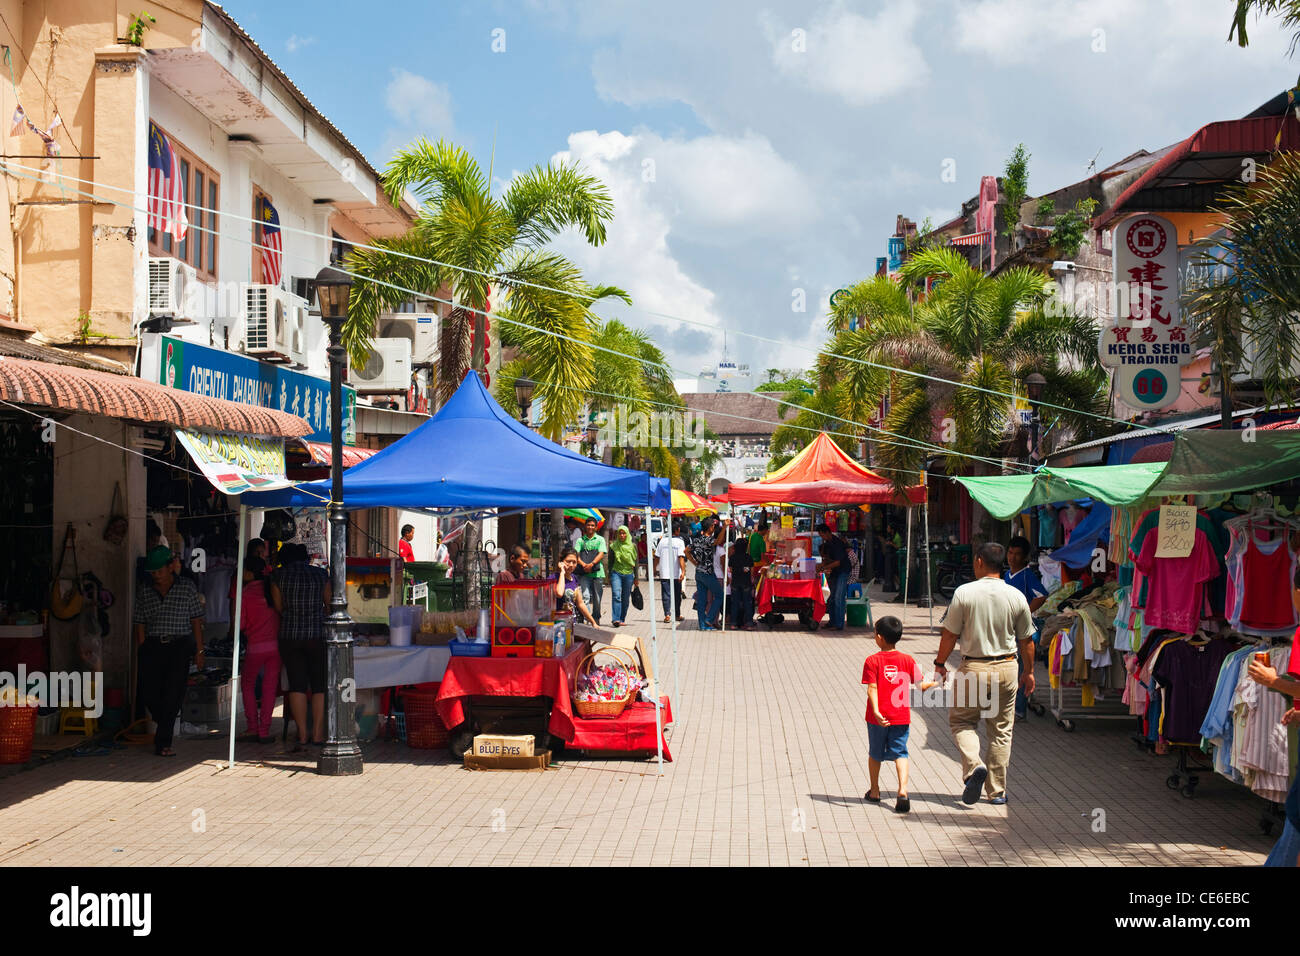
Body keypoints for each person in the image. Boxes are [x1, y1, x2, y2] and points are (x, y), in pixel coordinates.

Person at [935, 542, 1035, 806]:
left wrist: (940, 663)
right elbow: (1027, 640)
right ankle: (997, 792)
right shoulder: (1016, 596)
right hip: (1007, 668)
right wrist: (1030, 672)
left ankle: (974, 767)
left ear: (979, 561)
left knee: (962, 723)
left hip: (974, 668)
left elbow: (950, 633)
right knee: (1001, 730)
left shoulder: (964, 593)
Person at [133, 545, 205, 757]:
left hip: (179, 647)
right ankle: (164, 721)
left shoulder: (187, 588)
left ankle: (163, 743)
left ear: (170, 567)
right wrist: (143, 647)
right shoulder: (145, 591)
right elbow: (139, 622)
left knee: (173, 694)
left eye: (159, 571)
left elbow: (196, 620)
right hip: (153, 646)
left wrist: (200, 651)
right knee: (149, 693)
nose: (156, 576)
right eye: (153, 572)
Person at [862, 615, 937, 813]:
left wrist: (877, 711)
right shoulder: (907, 660)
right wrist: (936, 681)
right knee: (901, 752)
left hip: (877, 717)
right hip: (900, 716)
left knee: (875, 753)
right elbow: (921, 686)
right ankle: (903, 790)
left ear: (879, 637)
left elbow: (872, 688)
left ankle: (875, 791)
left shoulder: (872, 661)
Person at [269, 543, 330, 751]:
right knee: (319, 684)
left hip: (290, 635)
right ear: (306, 558)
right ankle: (318, 734)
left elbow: (278, 607)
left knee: (297, 684)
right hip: (317, 634)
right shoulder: (321, 575)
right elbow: (329, 604)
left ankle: (302, 734)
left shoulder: (278, 576)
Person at [1003, 536, 1048, 720]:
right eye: (1010, 553)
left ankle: (1019, 709)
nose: (1012, 558)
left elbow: (1041, 596)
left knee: (1021, 667)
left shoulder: (1027, 575)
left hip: (1022, 631)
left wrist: (1024, 612)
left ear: (1024, 557)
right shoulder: (1006, 575)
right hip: (1007, 629)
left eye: (1017, 554)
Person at [236, 557, 280, 744]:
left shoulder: (245, 593)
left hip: (255, 647)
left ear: (248, 572)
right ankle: (264, 730)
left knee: (247, 685)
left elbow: (241, 623)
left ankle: (252, 726)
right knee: (269, 688)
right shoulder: (273, 589)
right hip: (276, 647)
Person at [687, 516, 726, 630]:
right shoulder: (708, 540)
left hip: (698, 572)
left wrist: (695, 563)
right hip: (707, 573)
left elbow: (686, 551)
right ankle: (709, 620)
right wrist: (724, 527)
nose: (714, 528)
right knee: (719, 595)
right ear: (710, 528)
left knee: (702, 601)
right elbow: (718, 541)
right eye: (713, 526)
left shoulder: (697, 540)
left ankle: (702, 625)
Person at [818, 522, 852, 630]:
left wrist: (824, 567)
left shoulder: (836, 543)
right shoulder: (827, 543)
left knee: (839, 597)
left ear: (828, 532)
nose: (822, 538)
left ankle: (839, 624)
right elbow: (827, 559)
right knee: (831, 598)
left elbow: (838, 562)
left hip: (842, 571)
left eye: (822, 535)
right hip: (834, 572)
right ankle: (832, 622)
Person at [550, 548, 597, 626]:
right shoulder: (553, 578)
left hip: (571, 623)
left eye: (574, 562)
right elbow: (559, 593)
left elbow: (580, 604)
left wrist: (593, 622)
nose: (571, 565)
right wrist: (562, 572)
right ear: (561, 562)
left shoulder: (574, 578)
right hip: (557, 624)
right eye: (568, 561)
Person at [575, 517, 607, 625]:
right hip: (584, 573)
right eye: (588, 525)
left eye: (593, 525)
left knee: (597, 599)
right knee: (585, 597)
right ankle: (589, 619)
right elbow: (576, 555)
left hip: (597, 573)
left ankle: (596, 618)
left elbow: (601, 553)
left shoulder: (600, 539)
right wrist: (584, 565)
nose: (590, 527)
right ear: (585, 526)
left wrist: (591, 564)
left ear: (596, 527)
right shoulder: (580, 540)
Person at [655, 521, 687, 623]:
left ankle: (667, 615)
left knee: (666, 595)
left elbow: (656, 557)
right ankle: (677, 615)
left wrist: (655, 569)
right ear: (677, 530)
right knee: (677, 595)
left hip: (664, 572)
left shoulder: (662, 541)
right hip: (676, 574)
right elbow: (681, 557)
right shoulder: (680, 542)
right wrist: (683, 571)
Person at [608, 525, 638, 627]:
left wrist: (636, 578)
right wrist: (609, 575)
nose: (622, 535)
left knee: (625, 598)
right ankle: (615, 619)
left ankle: (621, 618)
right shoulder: (613, 546)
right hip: (616, 573)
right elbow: (610, 561)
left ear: (627, 534)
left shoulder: (633, 546)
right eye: (620, 533)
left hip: (629, 574)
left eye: (624, 533)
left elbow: (636, 562)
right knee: (616, 595)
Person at [730, 533, 756, 630]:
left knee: (735, 603)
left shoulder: (732, 557)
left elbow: (731, 569)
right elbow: (751, 571)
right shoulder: (748, 557)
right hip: (746, 582)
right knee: (747, 603)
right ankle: (749, 624)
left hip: (735, 582)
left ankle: (733, 623)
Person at [881, 523, 902, 591]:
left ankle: (901, 585)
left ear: (892, 529)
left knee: (895, 572)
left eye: (888, 528)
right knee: (892, 572)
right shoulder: (890, 536)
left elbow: (898, 547)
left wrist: (891, 544)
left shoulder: (897, 536)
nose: (887, 529)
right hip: (891, 556)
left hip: (896, 556)